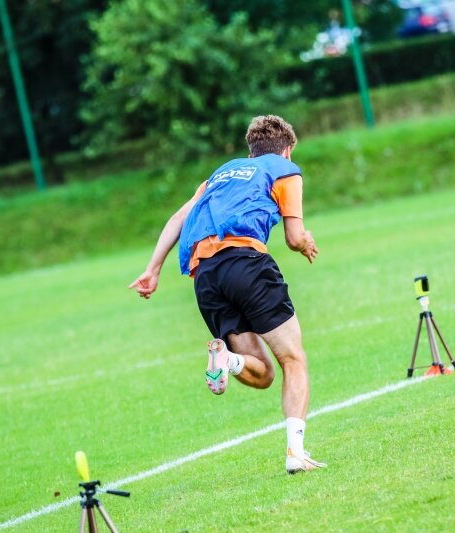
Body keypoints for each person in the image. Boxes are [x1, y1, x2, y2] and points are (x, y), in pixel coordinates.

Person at [129, 115, 325, 474]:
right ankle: (295, 453)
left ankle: (227, 360)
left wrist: (153, 269)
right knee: (293, 360)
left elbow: (177, 219)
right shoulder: (284, 169)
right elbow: (294, 238)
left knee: (262, 374)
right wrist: (306, 242)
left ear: (251, 153)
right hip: (245, 264)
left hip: (205, 277)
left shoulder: (220, 175)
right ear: (287, 150)